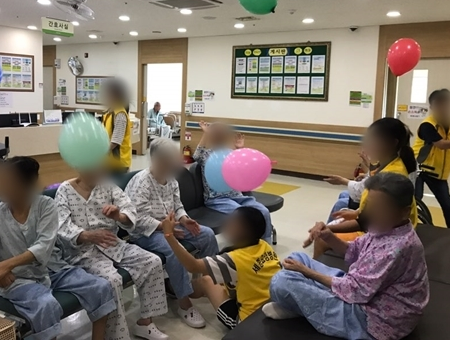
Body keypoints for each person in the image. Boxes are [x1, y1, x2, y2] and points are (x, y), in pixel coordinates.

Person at [264, 173, 429, 340]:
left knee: (281, 282)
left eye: (380, 208)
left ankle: (299, 307)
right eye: (370, 206)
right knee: (298, 257)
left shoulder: (397, 248)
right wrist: (328, 235)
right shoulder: (385, 228)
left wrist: (307, 272)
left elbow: (355, 290)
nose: (371, 214)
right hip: (364, 292)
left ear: (404, 212)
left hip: (373, 319)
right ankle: (301, 305)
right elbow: (354, 250)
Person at [0, 157, 116, 340]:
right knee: (46, 306)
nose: (1, 187)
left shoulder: (46, 205)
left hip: (55, 268)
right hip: (19, 279)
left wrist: (5, 265)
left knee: (101, 287)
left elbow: (43, 246)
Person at [55, 168, 168, 340]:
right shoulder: (64, 191)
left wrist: (119, 216)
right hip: (82, 253)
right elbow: (61, 226)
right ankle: (117, 336)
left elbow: (129, 209)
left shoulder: (107, 186)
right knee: (112, 281)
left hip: (112, 244)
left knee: (152, 261)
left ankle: (145, 324)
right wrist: (88, 236)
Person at [125, 137, 219, 328]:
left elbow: (177, 205)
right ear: (156, 160)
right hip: (145, 233)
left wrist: (184, 219)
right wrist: (164, 228)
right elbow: (137, 219)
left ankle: (209, 283)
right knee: (173, 249)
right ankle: (184, 303)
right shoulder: (142, 182)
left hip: (172, 225)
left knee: (207, 234)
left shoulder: (171, 179)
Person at [305, 117, 418, 258]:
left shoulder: (392, 174)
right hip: (379, 224)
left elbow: (366, 222)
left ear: (392, 143)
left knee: (322, 239)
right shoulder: (390, 164)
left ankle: (317, 266)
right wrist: (356, 213)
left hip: (383, 231)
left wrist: (327, 229)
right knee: (336, 218)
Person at [160, 206, 281, 330]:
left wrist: (169, 235)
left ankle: (177, 292)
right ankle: (179, 290)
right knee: (218, 279)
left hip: (245, 323)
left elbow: (192, 266)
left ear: (243, 231)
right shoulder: (264, 245)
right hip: (272, 308)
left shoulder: (232, 259)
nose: (226, 224)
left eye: (232, 222)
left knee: (206, 281)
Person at [193, 121, 273, 243]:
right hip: (217, 200)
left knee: (264, 211)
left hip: (237, 196)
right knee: (243, 214)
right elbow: (196, 156)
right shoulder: (206, 155)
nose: (219, 137)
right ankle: (246, 243)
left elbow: (244, 169)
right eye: (215, 134)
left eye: (222, 134)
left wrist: (240, 149)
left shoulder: (231, 154)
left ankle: (265, 244)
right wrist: (206, 134)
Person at [413, 89, 450, 230]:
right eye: (438, 105)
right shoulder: (427, 125)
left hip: (438, 174)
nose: (443, 108)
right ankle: (410, 228)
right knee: (415, 200)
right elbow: (441, 144)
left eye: (446, 104)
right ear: (432, 107)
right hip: (419, 170)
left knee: (447, 204)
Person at [324, 152, 373, 223]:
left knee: (340, 203)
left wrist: (343, 181)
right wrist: (366, 174)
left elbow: (360, 190)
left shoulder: (386, 166)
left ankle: (329, 228)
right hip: (366, 196)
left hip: (371, 204)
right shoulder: (382, 162)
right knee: (343, 194)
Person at [102, 78, 132, 174]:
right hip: (109, 162)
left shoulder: (120, 114)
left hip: (118, 164)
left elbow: (116, 141)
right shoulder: (110, 112)